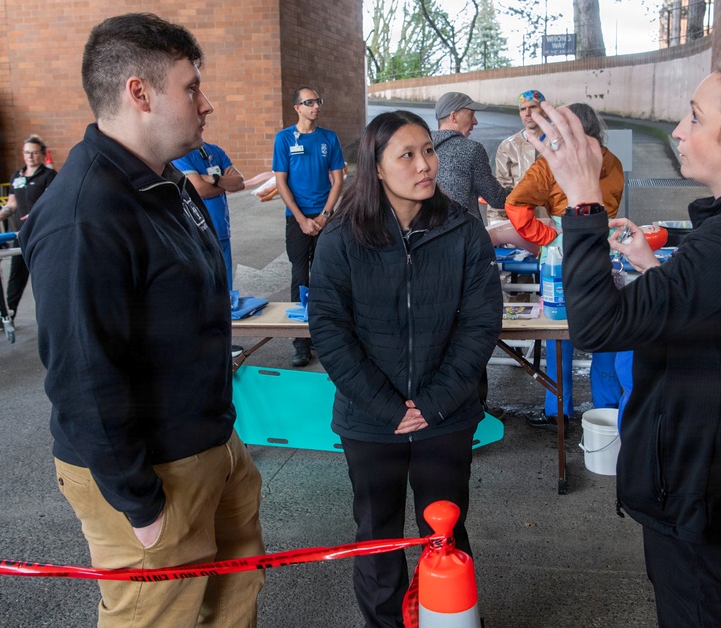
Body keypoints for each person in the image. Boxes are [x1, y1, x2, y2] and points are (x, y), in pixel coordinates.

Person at [531, 31, 721, 626]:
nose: (679, 132)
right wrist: (653, 268)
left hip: (709, 493)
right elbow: (716, 305)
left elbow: (597, 325)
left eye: (694, 118)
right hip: (703, 484)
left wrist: (584, 199)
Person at [20, 13, 265, 627]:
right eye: (191, 87)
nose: (205, 104)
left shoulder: (166, 183)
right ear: (139, 92)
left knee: (231, 602)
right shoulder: (84, 214)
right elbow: (82, 375)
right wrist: (139, 505)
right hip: (147, 474)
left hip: (207, 442)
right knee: (158, 616)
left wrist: (223, 446)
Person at [308, 110, 502, 628]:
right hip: (372, 422)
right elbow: (329, 328)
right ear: (375, 168)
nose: (425, 165)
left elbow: (480, 325)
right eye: (408, 155)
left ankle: (451, 619)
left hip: (447, 417)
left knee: (446, 534)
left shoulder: (463, 231)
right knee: (377, 536)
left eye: (429, 151)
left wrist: (434, 402)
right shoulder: (342, 237)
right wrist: (387, 407)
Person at [504, 104, 625, 431]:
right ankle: (609, 411)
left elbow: (514, 203)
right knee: (607, 333)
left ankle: (558, 412)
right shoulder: (611, 161)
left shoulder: (549, 166)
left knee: (559, 334)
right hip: (606, 248)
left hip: (561, 254)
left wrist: (544, 235)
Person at [272, 85, 345, 367]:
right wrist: (302, 220)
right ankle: (301, 343)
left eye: (318, 101)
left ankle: (328, 338)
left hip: (325, 217)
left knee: (327, 277)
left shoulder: (329, 138)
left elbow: (338, 180)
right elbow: (281, 182)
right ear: (297, 108)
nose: (316, 106)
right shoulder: (284, 139)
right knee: (300, 277)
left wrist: (325, 216)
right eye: (310, 102)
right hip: (297, 220)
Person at [172, 142, 273, 291]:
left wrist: (214, 179)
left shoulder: (215, 150)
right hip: (197, 232)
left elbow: (239, 183)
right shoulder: (179, 153)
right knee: (202, 286)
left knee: (225, 287)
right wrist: (226, 184)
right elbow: (199, 190)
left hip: (221, 229)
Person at [0, 134, 58, 322]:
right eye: (26, 153)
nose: (30, 156)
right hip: (21, 234)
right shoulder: (17, 176)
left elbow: (51, 201)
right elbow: (11, 204)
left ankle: (52, 317)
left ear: (42, 154)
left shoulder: (49, 176)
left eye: (34, 153)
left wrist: (37, 214)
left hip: (43, 234)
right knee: (16, 274)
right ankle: (7, 313)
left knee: (45, 276)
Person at [430, 91, 507, 223]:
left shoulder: (421, 149)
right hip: (464, 237)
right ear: (453, 117)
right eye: (471, 115)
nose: (475, 122)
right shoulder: (471, 150)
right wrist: (526, 191)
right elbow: (497, 199)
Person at [492, 89, 547, 224]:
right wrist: (497, 223)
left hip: (553, 221)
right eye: (523, 109)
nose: (527, 113)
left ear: (544, 110)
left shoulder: (558, 141)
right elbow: (501, 187)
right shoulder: (508, 146)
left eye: (533, 107)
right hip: (521, 222)